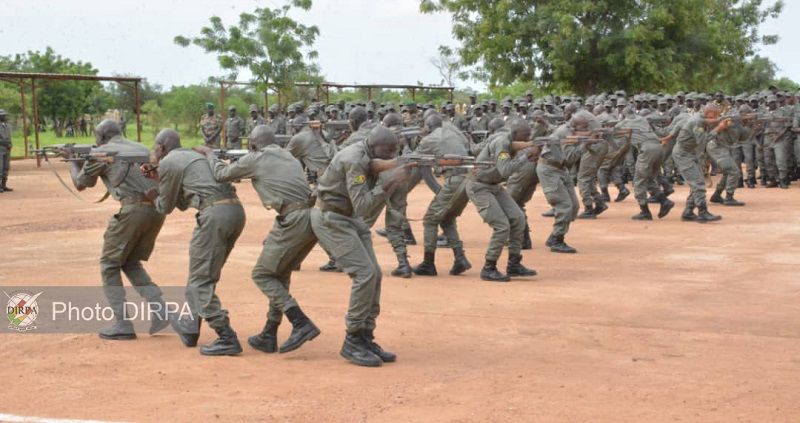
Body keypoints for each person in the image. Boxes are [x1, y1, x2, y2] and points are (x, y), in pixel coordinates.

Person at [205, 125, 320, 354]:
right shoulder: (288, 155)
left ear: (253, 144)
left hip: (293, 219)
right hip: (309, 218)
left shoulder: (257, 158)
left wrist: (210, 154)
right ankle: (269, 332)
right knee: (280, 273)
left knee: (262, 274)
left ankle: (299, 321)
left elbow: (221, 175)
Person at [310, 126, 411, 367]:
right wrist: (390, 182)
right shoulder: (354, 160)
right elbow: (364, 206)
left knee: (375, 274)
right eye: (388, 151)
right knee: (364, 274)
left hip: (348, 218)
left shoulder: (367, 154)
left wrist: (391, 168)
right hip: (332, 219)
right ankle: (352, 339)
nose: (391, 156)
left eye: (395, 152)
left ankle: (366, 336)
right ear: (374, 147)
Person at [145, 128, 246, 355]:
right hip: (234, 212)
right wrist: (160, 180)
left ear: (162, 147)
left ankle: (226, 335)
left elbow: (165, 207)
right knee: (204, 274)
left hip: (214, 215)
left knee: (199, 281)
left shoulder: (168, 161)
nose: (153, 151)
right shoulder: (192, 156)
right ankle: (191, 328)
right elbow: (182, 202)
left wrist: (154, 196)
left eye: (155, 147)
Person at [66, 119, 169, 339]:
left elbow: (81, 183)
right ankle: (160, 309)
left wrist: (72, 161)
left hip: (133, 210)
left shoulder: (102, 153)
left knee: (109, 264)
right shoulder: (140, 147)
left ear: (101, 137)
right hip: (156, 210)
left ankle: (123, 323)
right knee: (130, 262)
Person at [468, 118, 538, 282]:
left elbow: (515, 149)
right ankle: (489, 267)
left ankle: (514, 264)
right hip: (479, 186)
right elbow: (505, 170)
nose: (528, 138)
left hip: (494, 186)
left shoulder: (509, 140)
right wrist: (527, 155)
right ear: (515, 133)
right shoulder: (502, 142)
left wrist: (529, 148)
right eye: (526, 135)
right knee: (501, 225)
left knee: (518, 218)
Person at [411, 114, 472, 277]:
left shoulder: (429, 139)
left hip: (454, 181)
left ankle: (428, 263)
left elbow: (414, 159)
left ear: (428, 127)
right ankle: (460, 258)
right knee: (446, 218)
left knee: (430, 219)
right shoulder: (455, 134)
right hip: (467, 181)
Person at [666, 104, 729, 222]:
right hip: (683, 155)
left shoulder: (701, 120)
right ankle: (702, 212)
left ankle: (688, 212)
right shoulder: (697, 122)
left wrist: (718, 123)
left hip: (690, 153)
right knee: (698, 183)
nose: (717, 117)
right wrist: (718, 128)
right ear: (708, 113)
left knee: (697, 182)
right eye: (715, 115)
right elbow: (703, 141)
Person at [0, 110, 12, 192]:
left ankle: (4, 185)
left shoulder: (8, 126)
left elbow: (9, 137)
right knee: (0, 167)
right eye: (3, 115)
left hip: (7, 149)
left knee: (6, 167)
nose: (4, 117)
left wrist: (10, 144)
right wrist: (4, 143)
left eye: (5, 115)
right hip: (0, 149)